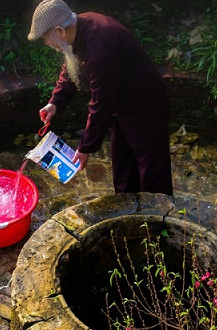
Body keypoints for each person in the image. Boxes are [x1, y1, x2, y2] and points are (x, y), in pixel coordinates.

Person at [28, 0, 174, 195]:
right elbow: (71, 70)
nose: (47, 44)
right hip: (120, 111)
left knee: (152, 174)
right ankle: (126, 216)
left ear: (60, 31)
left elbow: (100, 102)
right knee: (124, 172)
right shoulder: (77, 31)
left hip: (145, 108)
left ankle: (157, 220)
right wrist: (55, 102)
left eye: (46, 38)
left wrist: (86, 147)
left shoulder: (101, 43)